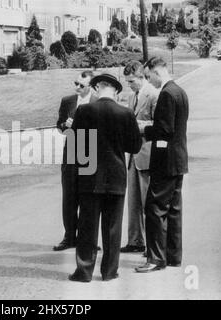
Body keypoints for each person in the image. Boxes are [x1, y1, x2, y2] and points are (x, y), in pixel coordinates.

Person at [69, 73, 142, 282]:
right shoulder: (126, 113)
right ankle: (110, 271)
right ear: (116, 90)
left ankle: (84, 271)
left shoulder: (84, 110)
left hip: (89, 176)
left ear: (99, 87)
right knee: (113, 228)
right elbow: (134, 146)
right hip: (116, 176)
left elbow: (76, 146)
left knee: (87, 227)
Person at [135, 57, 189, 273]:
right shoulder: (180, 91)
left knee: (155, 208)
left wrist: (143, 129)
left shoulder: (166, 93)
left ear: (158, 72)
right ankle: (173, 256)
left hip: (165, 161)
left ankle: (156, 258)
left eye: (149, 76)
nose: (150, 81)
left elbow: (164, 130)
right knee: (174, 209)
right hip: (178, 159)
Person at [54, 71, 97, 251]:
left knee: (89, 198)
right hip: (71, 152)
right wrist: (66, 126)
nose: (77, 87)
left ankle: (88, 240)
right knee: (69, 197)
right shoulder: (68, 101)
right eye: (76, 83)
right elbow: (59, 125)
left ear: (91, 87)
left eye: (82, 85)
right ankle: (69, 237)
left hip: (90, 153)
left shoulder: (98, 102)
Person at [121, 61, 159, 254]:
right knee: (133, 201)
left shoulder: (153, 94)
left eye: (131, 81)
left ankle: (153, 245)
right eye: (128, 82)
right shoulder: (131, 96)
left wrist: (137, 125)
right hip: (133, 155)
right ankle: (136, 240)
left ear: (141, 77)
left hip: (148, 154)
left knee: (148, 203)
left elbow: (159, 123)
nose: (130, 85)